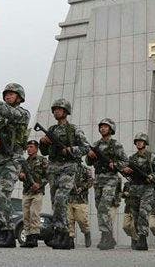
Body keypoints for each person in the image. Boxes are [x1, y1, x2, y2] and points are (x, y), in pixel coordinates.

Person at [0, 83, 30, 248]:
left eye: (12, 94)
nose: (8, 96)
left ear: (19, 97)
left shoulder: (22, 113)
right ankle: (6, 233)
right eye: (6, 94)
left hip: (12, 159)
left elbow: (11, 113)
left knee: (1, 194)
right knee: (0, 198)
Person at [38, 98, 90, 249]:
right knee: (55, 201)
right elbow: (45, 152)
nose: (56, 111)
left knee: (61, 198)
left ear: (66, 112)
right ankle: (61, 234)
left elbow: (86, 147)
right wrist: (43, 143)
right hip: (53, 167)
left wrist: (71, 150)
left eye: (59, 109)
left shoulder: (74, 129)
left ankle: (65, 234)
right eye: (54, 109)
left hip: (68, 166)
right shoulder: (51, 130)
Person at [85, 118, 128, 250]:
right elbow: (88, 162)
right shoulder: (96, 144)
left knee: (104, 207)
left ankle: (105, 236)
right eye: (101, 126)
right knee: (100, 208)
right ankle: (109, 237)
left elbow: (125, 161)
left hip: (111, 179)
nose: (103, 128)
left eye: (106, 126)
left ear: (111, 129)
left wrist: (114, 164)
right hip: (98, 179)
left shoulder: (116, 145)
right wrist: (90, 156)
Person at [120, 132, 155, 251]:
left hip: (147, 188)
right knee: (136, 214)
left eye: (141, 141)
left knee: (143, 213)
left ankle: (143, 239)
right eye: (137, 141)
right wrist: (126, 170)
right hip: (134, 188)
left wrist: (152, 176)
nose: (139, 143)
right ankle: (138, 237)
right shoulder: (131, 158)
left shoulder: (152, 157)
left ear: (145, 143)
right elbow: (125, 171)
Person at [20, 139, 48, 248]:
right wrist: (21, 175)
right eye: (28, 147)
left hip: (37, 192)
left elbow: (48, 175)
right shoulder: (25, 162)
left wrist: (40, 185)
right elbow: (20, 174)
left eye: (31, 147)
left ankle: (34, 237)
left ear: (36, 148)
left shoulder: (42, 160)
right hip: (27, 192)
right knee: (26, 215)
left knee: (34, 214)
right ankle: (28, 237)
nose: (29, 149)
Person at [67, 161, 94, 247]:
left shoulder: (85, 169)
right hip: (68, 198)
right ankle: (70, 239)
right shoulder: (66, 169)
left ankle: (86, 232)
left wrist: (82, 187)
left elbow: (91, 181)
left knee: (82, 219)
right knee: (69, 220)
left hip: (81, 199)